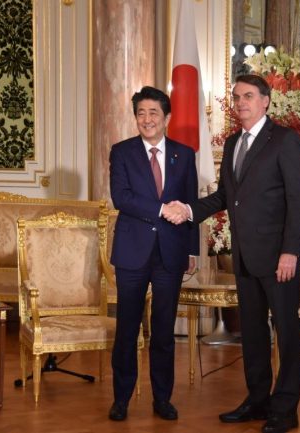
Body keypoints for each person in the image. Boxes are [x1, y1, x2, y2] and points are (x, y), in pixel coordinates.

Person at [165, 74, 300, 433]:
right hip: (245, 255)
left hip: (279, 258)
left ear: (265, 101)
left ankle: (285, 410)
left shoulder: (285, 141)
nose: (241, 102)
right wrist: (187, 210)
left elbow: (299, 200)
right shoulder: (232, 144)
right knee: (254, 334)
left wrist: (290, 251)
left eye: (248, 96)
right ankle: (258, 400)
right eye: (236, 97)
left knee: (287, 333)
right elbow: (226, 197)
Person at [108, 86, 199, 422]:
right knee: (127, 329)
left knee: (163, 331)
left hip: (171, 252)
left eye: (153, 113)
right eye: (141, 113)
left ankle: (163, 399)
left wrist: (191, 250)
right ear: (136, 118)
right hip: (132, 252)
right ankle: (121, 399)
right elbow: (122, 198)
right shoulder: (122, 152)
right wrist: (162, 209)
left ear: (167, 118)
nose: (146, 119)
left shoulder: (184, 154)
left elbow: (189, 203)